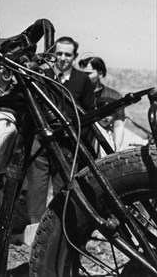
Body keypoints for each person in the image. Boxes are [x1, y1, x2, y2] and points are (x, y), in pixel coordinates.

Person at [27, 36, 95, 225]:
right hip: (41, 141)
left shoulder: (83, 80)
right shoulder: (42, 76)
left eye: (68, 54)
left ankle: (61, 230)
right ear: (53, 55)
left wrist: (76, 138)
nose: (63, 58)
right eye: (59, 54)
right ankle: (34, 232)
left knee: (64, 188)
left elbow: (89, 113)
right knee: (36, 188)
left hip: (67, 144)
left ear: (75, 57)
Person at [79, 56, 126, 155]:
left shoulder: (113, 96)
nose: (84, 77)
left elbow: (118, 123)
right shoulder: (76, 95)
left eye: (88, 73)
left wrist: (117, 149)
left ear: (100, 73)